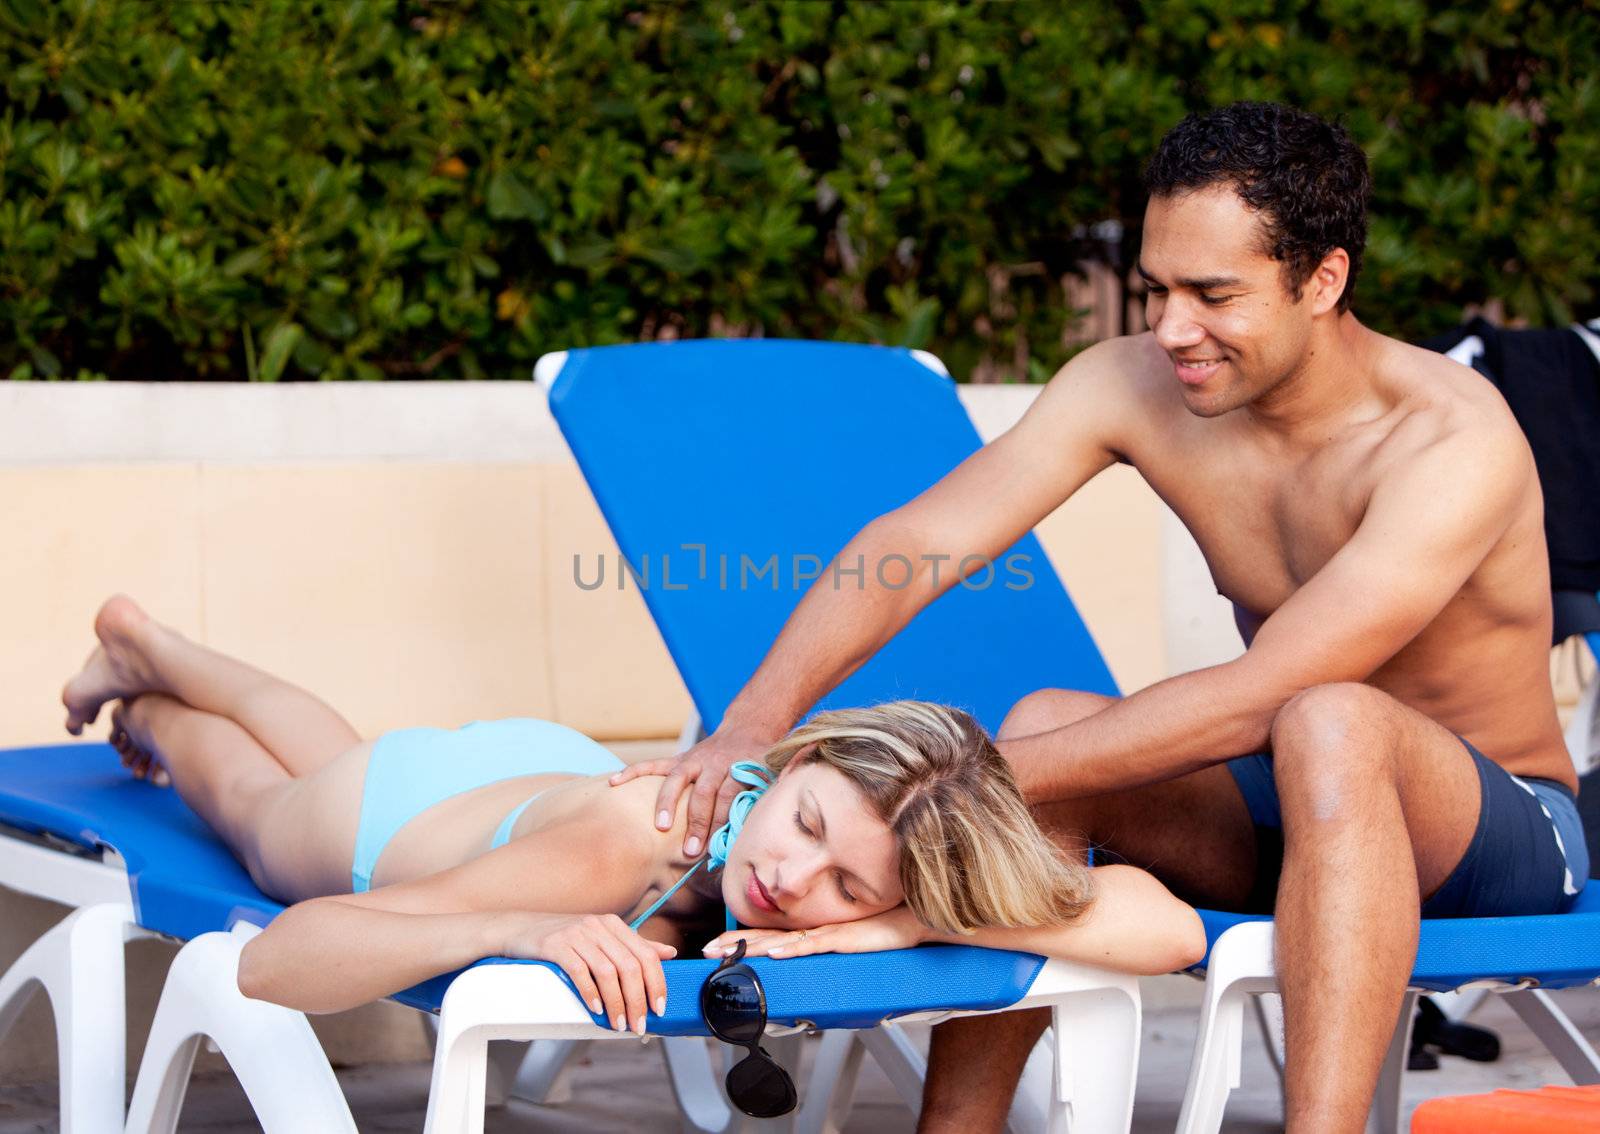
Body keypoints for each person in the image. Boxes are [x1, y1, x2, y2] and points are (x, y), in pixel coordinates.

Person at [613, 102, 1586, 1133]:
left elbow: (1264, 694)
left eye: (1213, 294)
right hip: (1288, 815)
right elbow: (912, 549)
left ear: (1323, 279)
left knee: (1324, 719)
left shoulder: (1449, 443)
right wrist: (755, 720)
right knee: (1046, 721)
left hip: (1497, 836)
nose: (1171, 329)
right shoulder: (1135, 384)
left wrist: (935, 798)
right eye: (1157, 288)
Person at [58, 594, 1204, 1031]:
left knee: (330, 745)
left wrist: (895, 928)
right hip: (391, 822)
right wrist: (510, 932)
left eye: (849, 884)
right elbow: (276, 963)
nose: (793, 885)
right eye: (803, 825)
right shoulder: (642, 842)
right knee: (265, 805)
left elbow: (1166, 930)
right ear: (793, 762)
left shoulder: (842, 871)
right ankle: (153, 685)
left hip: (543, 774)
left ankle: (155, 650)